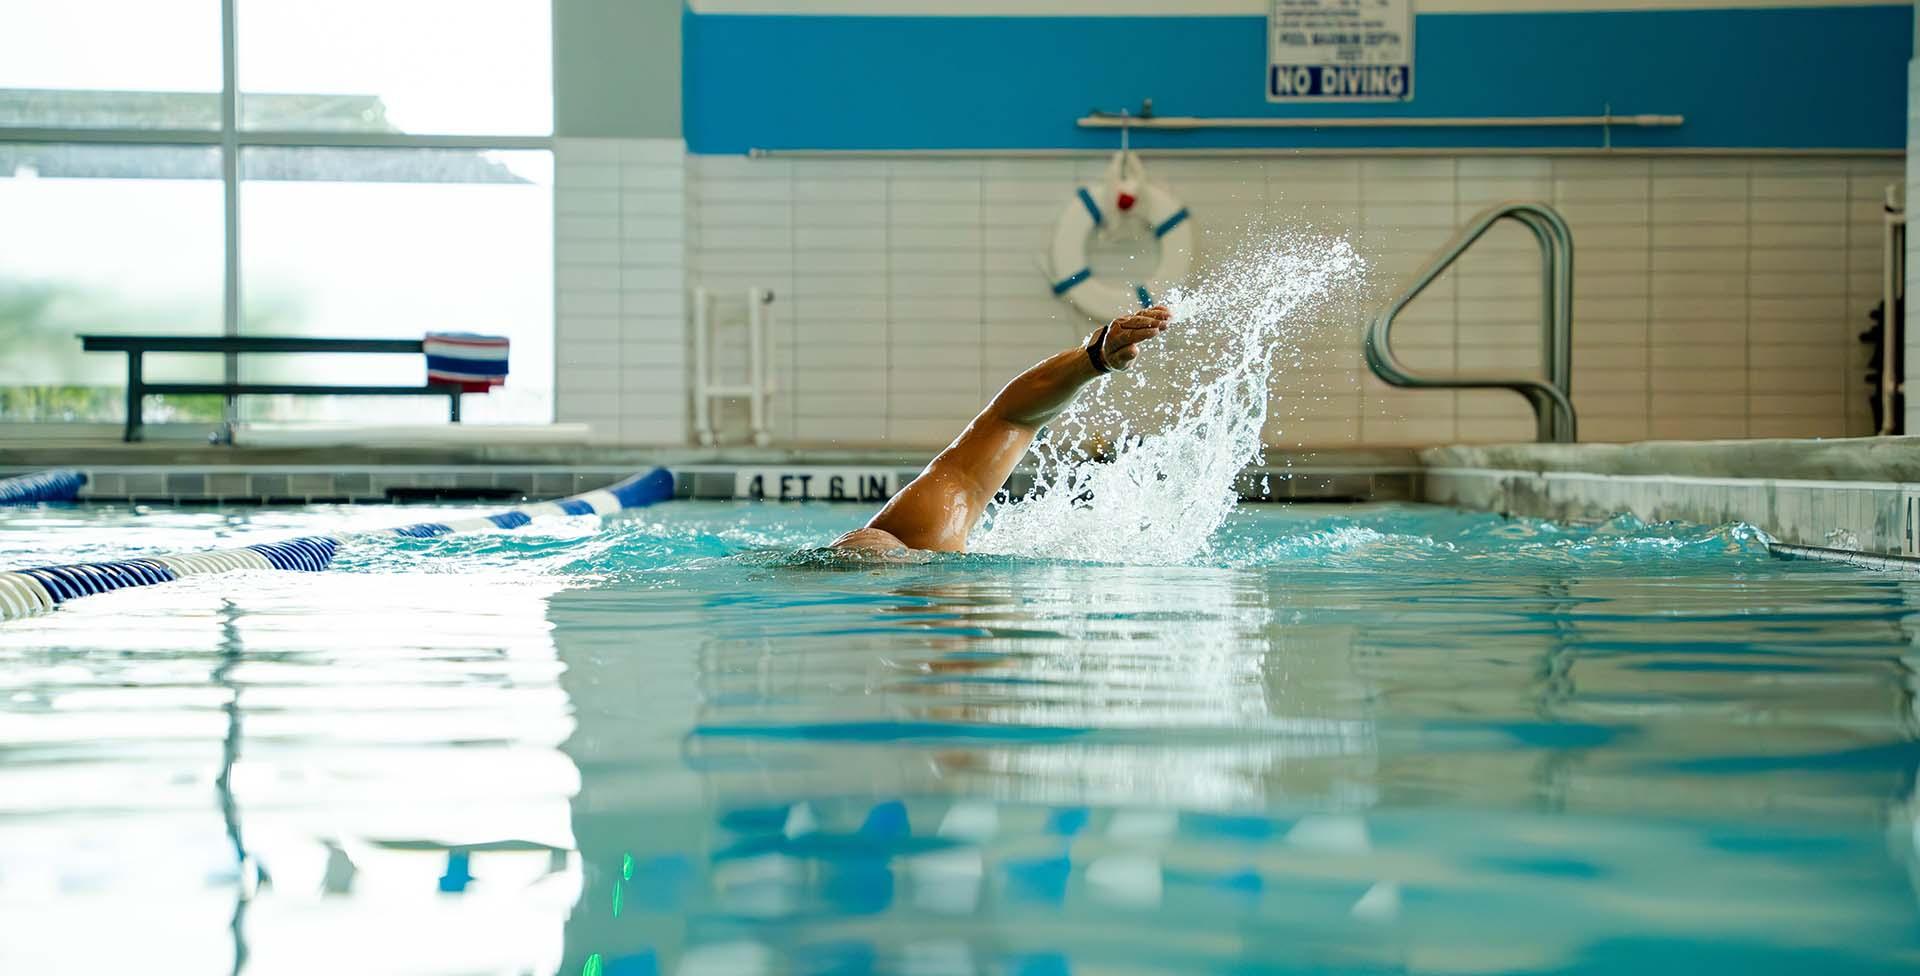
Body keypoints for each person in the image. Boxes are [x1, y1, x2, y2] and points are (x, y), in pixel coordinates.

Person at [830, 305, 1172, 555]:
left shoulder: (925, 527)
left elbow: (1010, 418)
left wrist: (1094, 359)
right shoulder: (929, 528)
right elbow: (1010, 418)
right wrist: (1092, 360)